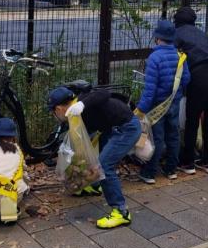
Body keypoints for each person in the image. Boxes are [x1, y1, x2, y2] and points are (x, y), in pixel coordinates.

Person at [47, 85, 141, 229]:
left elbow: (103, 93)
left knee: (105, 165)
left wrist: (82, 104)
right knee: (96, 158)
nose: (54, 116)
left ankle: (121, 212)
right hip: (110, 128)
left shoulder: (82, 103)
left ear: (59, 109)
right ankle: (95, 186)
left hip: (126, 129)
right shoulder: (74, 114)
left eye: (53, 111)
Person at [135, 19, 190, 184]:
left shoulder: (154, 58)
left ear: (157, 38)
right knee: (173, 135)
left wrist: (141, 109)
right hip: (174, 102)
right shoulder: (180, 56)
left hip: (157, 105)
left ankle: (150, 173)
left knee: (157, 138)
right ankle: (171, 169)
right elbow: (186, 79)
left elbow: (150, 89)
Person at [173, 6, 208, 175]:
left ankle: (188, 162)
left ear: (177, 21)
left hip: (199, 76)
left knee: (192, 120)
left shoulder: (178, 33)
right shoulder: (200, 33)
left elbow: (173, 57)